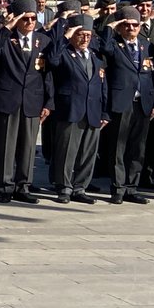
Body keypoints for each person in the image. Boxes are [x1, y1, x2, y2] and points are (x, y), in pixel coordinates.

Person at [0, 0, 52, 203]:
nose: (30, 23)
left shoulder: (43, 41)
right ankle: (4, 185)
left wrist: (49, 103)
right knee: (6, 144)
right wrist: (7, 27)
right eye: (25, 19)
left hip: (32, 100)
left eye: (33, 18)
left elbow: (47, 74)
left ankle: (23, 185)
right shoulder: (6, 38)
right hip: (7, 98)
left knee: (28, 145)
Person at [95, 6, 154, 205]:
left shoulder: (146, 45)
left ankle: (131, 187)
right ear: (120, 26)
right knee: (118, 149)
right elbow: (103, 47)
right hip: (122, 103)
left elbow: (151, 75)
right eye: (126, 25)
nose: (131, 28)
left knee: (137, 149)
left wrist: (153, 102)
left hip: (143, 103)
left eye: (135, 25)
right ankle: (118, 189)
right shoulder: (113, 44)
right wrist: (111, 27)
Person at [44, 15, 108, 204]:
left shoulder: (95, 57)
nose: (85, 39)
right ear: (72, 34)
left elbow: (102, 85)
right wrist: (66, 36)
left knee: (88, 153)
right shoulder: (63, 53)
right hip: (70, 110)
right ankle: (64, 187)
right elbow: (52, 60)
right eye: (81, 34)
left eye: (88, 35)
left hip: (93, 111)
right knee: (67, 151)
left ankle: (80, 187)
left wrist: (104, 112)